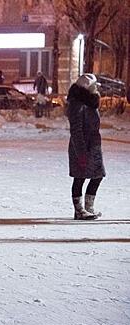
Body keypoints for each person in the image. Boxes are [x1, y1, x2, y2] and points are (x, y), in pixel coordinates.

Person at [66, 73, 105, 220]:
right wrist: (81, 153)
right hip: (81, 146)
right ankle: (79, 210)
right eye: (94, 86)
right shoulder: (77, 105)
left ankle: (89, 207)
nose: (97, 89)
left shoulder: (89, 102)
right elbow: (76, 131)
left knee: (98, 176)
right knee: (80, 177)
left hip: (94, 145)